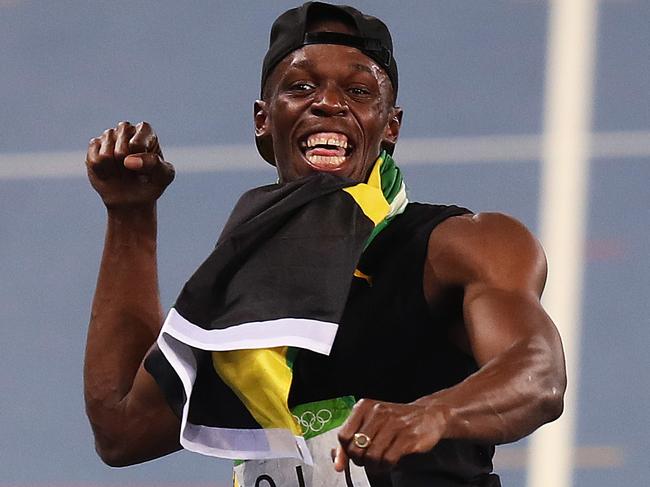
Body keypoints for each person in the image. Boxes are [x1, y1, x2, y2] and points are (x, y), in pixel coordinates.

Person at [83, 2, 566, 486]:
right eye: (300, 87)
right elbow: (122, 430)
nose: (329, 103)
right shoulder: (240, 284)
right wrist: (130, 215)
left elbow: (538, 374)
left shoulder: (460, 245)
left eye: (358, 91)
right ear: (263, 120)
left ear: (390, 125)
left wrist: (434, 414)